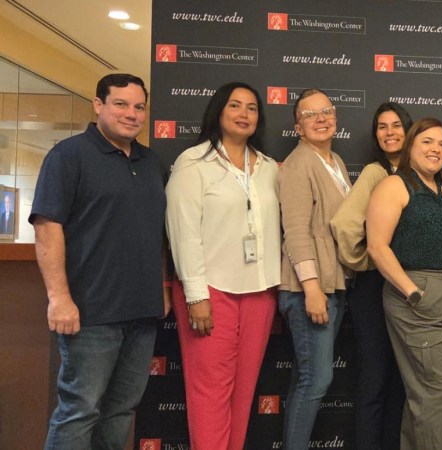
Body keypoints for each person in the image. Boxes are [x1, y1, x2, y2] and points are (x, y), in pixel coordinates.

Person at [32, 73, 168, 449]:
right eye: (121, 104)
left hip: (142, 312)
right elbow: (47, 227)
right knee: (80, 410)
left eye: (139, 107)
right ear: (98, 105)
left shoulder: (151, 162)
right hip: (90, 313)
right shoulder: (68, 155)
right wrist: (59, 297)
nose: (132, 114)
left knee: (121, 411)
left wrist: (161, 285)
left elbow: (157, 232)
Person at [165, 82, 281, 450]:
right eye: (235, 105)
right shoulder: (193, 163)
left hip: (260, 292)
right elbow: (183, 232)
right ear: (218, 111)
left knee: (244, 394)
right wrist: (196, 295)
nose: (244, 114)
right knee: (210, 394)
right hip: (211, 291)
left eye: (252, 108)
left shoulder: (268, 168)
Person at [366, 117, 442, 450]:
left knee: (428, 398)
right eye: (427, 141)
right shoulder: (395, 185)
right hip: (419, 299)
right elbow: (377, 246)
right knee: (432, 398)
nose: (436, 149)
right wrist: (412, 292)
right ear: (410, 146)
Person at [331, 102, 412, 450]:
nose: (389, 132)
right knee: (375, 379)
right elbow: (344, 225)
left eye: (396, 125)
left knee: (398, 382)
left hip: (405, 289)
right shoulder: (375, 173)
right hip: (375, 289)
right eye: (382, 126)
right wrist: (371, 260)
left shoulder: (416, 173)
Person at [277, 89, 352, 450]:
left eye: (326, 111)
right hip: (309, 288)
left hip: (332, 285)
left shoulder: (335, 161)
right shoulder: (297, 165)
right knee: (317, 380)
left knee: (307, 378)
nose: (321, 119)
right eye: (310, 115)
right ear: (298, 127)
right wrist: (311, 288)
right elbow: (295, 231)